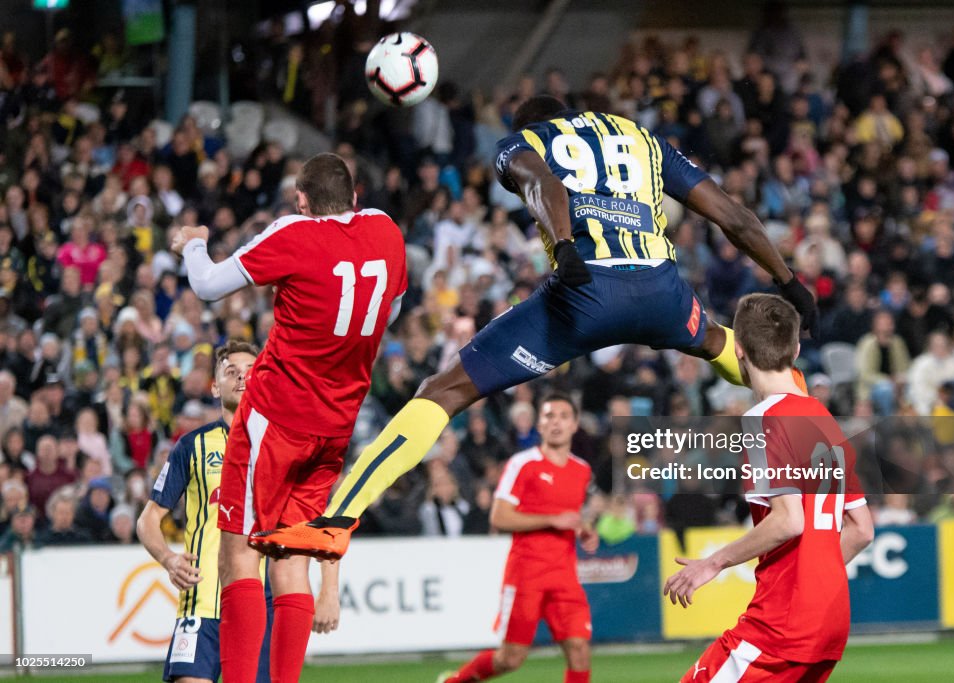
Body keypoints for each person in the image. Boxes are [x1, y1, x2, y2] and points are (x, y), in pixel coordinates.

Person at [256, 95, 818, 560]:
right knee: (741, 352)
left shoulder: (523, 143)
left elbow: (539, 183)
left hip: (584, 295)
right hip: (662, 294)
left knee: (444, 390)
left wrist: (568, 246)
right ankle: (821, 457)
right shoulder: (641, 138)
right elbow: (733, 217)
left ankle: (336, 519)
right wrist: (789, 280)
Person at [170, 153, 406, 683]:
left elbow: (207, 284)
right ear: (355, 195)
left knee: (240, 552)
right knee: (291, 556)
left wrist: (193, 242)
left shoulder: (294, 234)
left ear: (301, 201)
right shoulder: (386, 231)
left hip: (275, 420)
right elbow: (391, 306)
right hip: (337, 425)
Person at [663, 293, 875, 682]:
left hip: (782, 625)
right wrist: (815, 579)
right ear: (795, 349)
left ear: (739, 350)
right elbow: (861, 529)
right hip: (830, 619)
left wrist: (714, 562)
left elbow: (789, 521)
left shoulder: (762, 420)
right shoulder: (821, 416)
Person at [135, 341, 342, 683]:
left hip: (263, 607)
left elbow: (318, 523)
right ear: (215, 387)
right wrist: (168, 559)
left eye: (251, 371)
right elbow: (149, 518)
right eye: (231, 372)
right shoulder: (193, 445)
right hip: (203, 603)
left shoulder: (289, 445)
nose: (242, 378)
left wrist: (329, 592)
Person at [439, 394, 598, 683]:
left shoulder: (581, 470)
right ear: (539, 424)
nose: (556, 422)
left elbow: (571, 517)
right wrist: (551, 520)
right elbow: (498, 517)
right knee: (510, 658)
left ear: (575, 425)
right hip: (527, 574)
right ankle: (454, 681)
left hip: (564, 575)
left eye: (563, 416)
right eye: (549, 416)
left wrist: (585, 530)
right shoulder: (522, 464)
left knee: (579, 649)